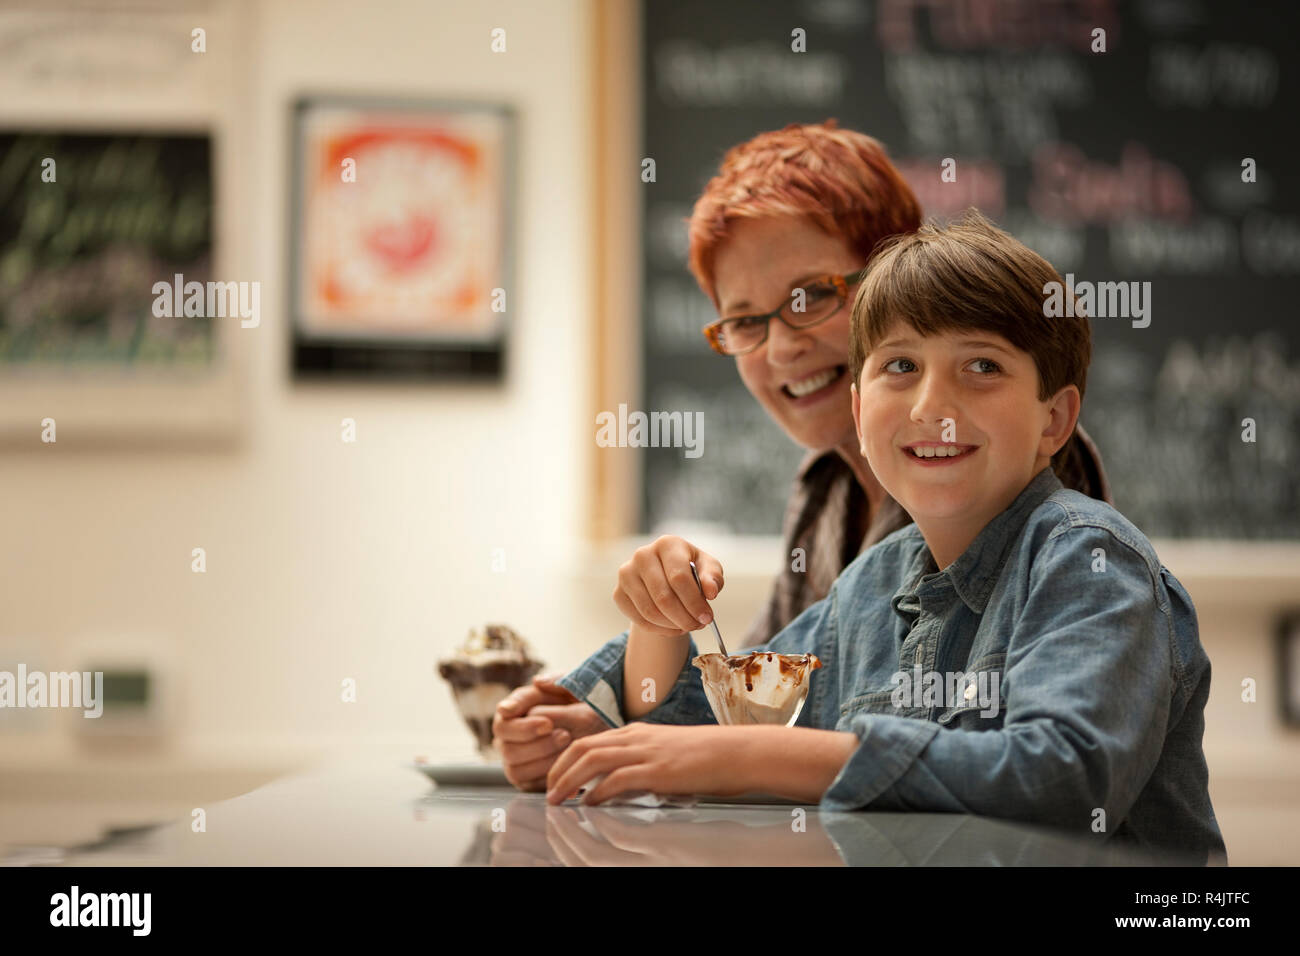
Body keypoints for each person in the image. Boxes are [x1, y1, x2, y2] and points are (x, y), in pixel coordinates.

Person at [542, 212, 1227, 865]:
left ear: (1055, 420)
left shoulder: (1091, 562)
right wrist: (657, 618)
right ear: (861, 408)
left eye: (982, 366)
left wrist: (755, 756)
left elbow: (1061, 781)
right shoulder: (867, 590)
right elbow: (690, 737)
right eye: (900, 367)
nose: (933, 407)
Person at [493, 120, 1110, 793]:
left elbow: (1045, 773)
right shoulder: (831, 497)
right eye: (744, 321)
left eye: (810, 296)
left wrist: (716, 746)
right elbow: (762, 702)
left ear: (898, 277)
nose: (781, 348)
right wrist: (605, 703)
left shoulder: (1007, 480)